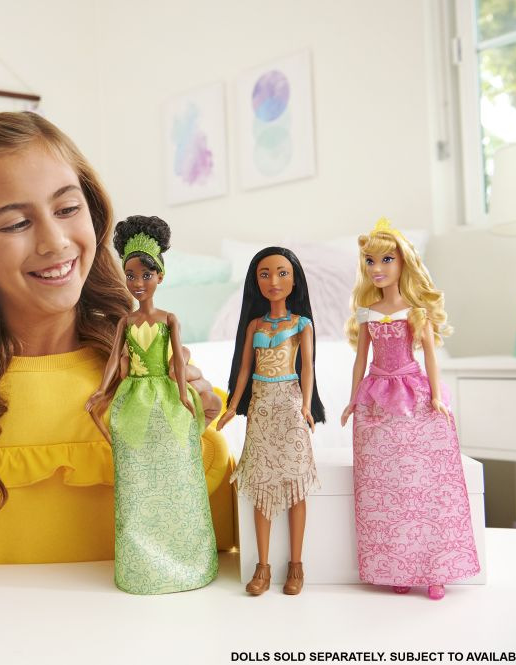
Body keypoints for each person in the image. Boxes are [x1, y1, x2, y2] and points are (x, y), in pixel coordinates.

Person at [0, 111, 236, 563]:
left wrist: (186, 438)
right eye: (16, 223)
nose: (54, 242)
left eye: (68, 209)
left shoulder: (144, 382)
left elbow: (222, 535)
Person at [340, 218, 480, 600]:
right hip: (376, 396)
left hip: (411, 394)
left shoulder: (415, 310)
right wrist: (353, 398)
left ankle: (436, 571)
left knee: (427, 485)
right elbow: (360, 359)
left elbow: (431, 356)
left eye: (387, 259)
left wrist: (436, 396)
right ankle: (396, 566)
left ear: (404, 262)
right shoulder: (367, 312)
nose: (377, 268)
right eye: (370, 261)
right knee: (385, 487)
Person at [85, 215, 218, 593]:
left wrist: (183, 394)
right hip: (134, 396)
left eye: (146, 275)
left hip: (165, 396)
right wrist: (102, 390)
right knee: (136, 480)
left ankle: (188, 563)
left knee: (178, 472)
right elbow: (114, 360)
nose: (138, 283)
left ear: (160, 276)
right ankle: (141, 567)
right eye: (131, 275)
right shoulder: (125, 322)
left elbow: (178, 360)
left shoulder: (168, 319)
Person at [216, 247, 323, 596]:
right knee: (261, 486)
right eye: (265, 274)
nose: (274, 281)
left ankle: (296, 565)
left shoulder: (301, 324)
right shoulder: (255, 326)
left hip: (290, 404)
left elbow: (307, 368)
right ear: (255, 281)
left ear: (294, 279)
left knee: (295, 485)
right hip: (261, 406)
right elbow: (244, 368)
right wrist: (233, 405)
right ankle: (262, 567)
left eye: (282, 273)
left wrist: (306, 406)